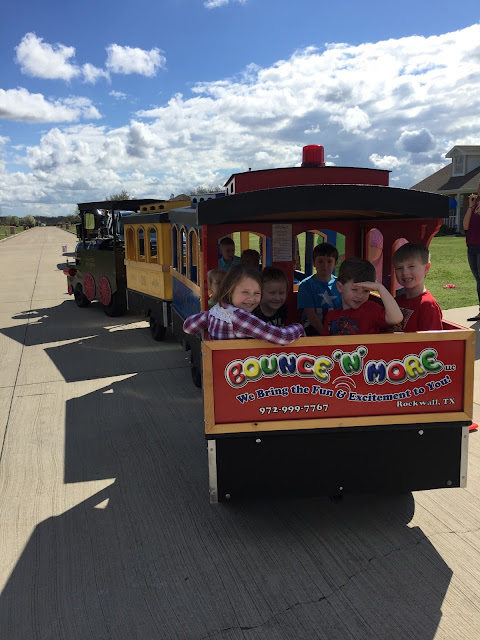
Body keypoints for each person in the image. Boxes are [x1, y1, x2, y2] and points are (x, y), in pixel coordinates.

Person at [183, 265, 304, 344]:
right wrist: (299, 327)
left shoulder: (217, 309)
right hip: (237, 368)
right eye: (245, 292)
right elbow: (282, 337)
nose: (251, 298)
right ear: (230, 290)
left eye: (257, 293)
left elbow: (188, 326)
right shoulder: (239, 317)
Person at [324, 258, 403, 335]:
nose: (360, 296)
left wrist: (380, 288)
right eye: (354, 289)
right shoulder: (331, 317)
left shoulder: (371, 309)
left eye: (366, 291)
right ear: (340, 287)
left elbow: (396, 318)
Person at [393, 243, 443, 331]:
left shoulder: (428, 305)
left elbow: (433, 339)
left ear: (426, 268)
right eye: (399, 268)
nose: (405, 272)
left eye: (411, 266)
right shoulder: (396, 301)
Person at [297, 243, 342, 335]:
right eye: (320, 261)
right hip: (312, 327)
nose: (325, 265)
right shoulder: (306, 285)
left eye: (329, 261)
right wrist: (325, 334)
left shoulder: (340, 284)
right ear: (314, 263)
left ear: (336, 263)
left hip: (336, 326)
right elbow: (311, 315)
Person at [463, 184, 480, 321]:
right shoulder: (476, 205)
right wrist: (470, 205)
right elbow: (465, 226)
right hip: (472, 247)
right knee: (478, 280)